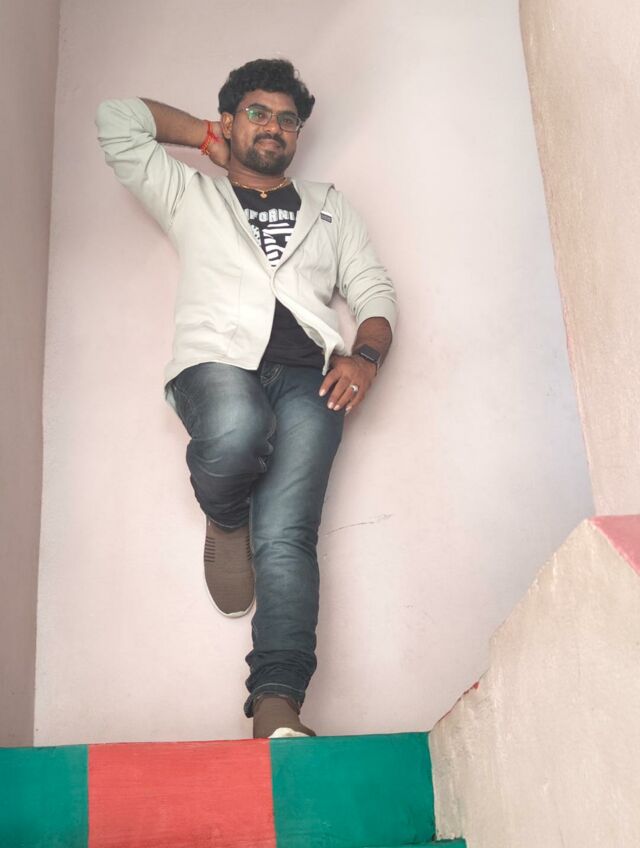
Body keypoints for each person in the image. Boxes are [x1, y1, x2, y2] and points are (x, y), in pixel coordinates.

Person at [95, 58, 397, 739]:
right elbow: (117, 119)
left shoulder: (329, 204)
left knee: (288, 538)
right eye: (258, 113)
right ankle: (227, 517)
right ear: (231, 121)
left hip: (310, 378)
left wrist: (366, 357)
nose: (274, 127)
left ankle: (277, 706)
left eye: (287, 119)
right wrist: (206, 136)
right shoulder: (189, 193)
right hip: (217, 362)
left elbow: (374, 290)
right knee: (236, 425)